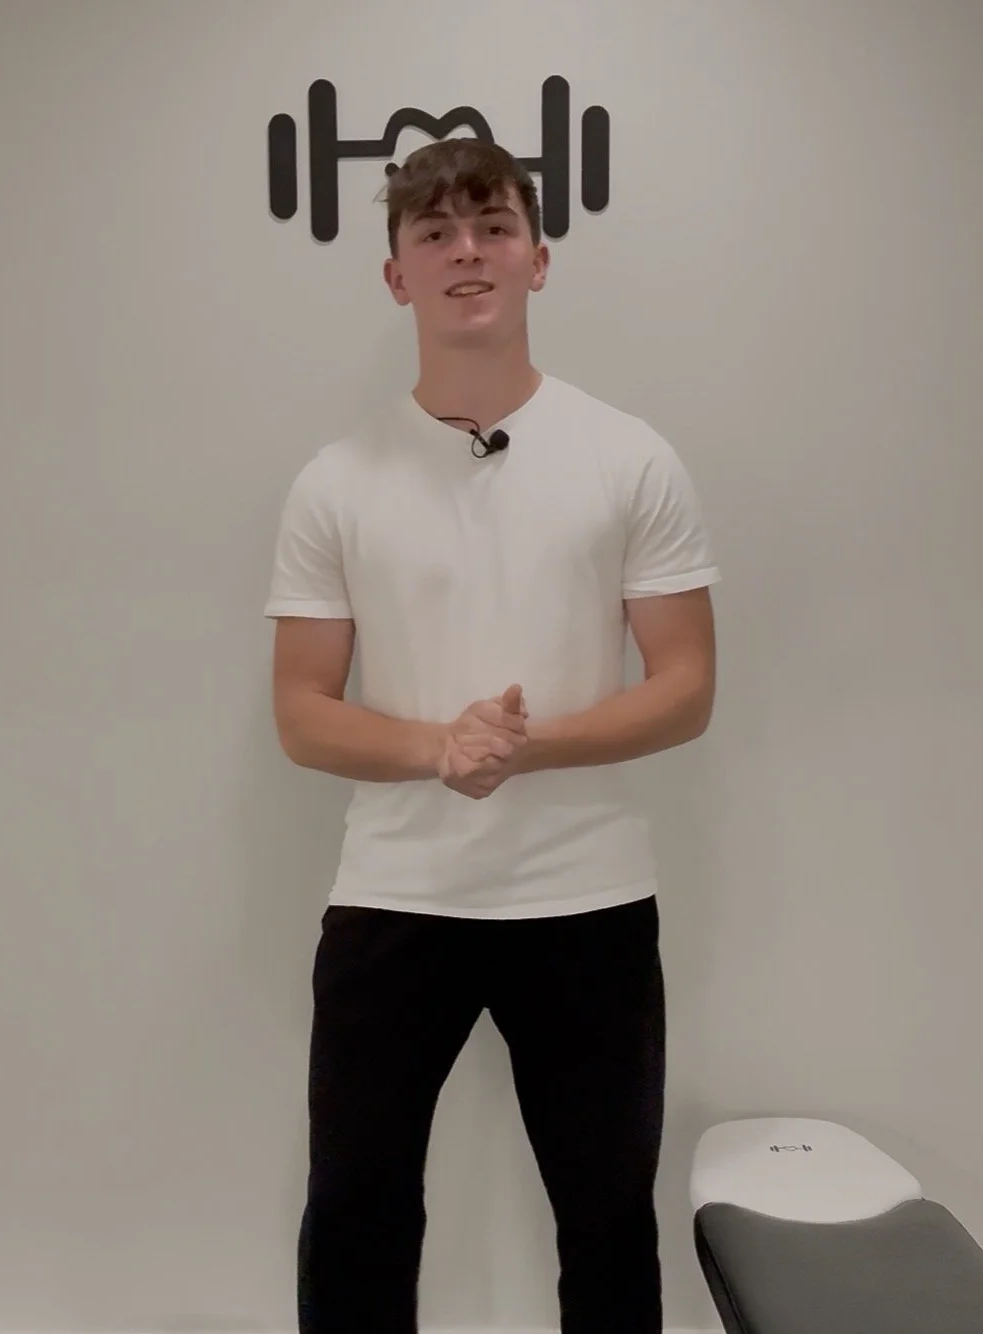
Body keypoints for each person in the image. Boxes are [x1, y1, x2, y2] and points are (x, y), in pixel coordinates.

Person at [264, 137, 720, 1334]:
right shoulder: (337, 480)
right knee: (357, 1207)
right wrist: (438, 750)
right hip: (397, 892)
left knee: (608, 1213)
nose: (468, 249)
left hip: (587, 897)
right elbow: (302, 710)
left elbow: (687, 685)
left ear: (538, 257)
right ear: (396, 276)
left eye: (493, 226)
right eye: (434, 232)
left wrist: (527, 746)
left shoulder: (629, 456)